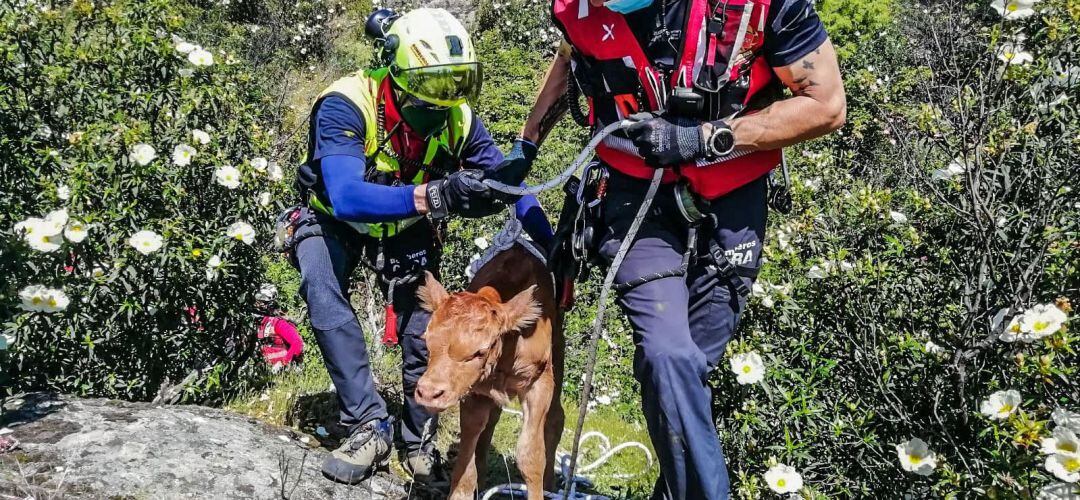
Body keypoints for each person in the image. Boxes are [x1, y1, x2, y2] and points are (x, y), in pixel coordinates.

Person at [495, 0, 846, 497]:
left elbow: (827, 105)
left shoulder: (764, 7)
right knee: (667, 356)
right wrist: (526, 145)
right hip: (630, 194)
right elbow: (574, 53)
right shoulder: (578, 8)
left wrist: (704, 138)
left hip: (733, 197)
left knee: (688, 370)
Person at [280, 8, 553, 485]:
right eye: (430, 96)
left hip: (405, 225)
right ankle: (367, 423)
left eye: (453, 90)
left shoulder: (456, 117)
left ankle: (417, 436)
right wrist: (436, 194)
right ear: (397, 78)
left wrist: (551, 251)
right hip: (334, 218)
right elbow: (345, 196)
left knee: (422, 324)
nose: (442, 105)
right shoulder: (347, 103)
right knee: (324, 295)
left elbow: (512, 189)